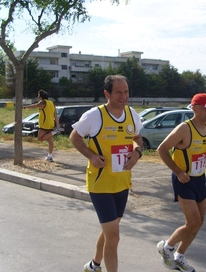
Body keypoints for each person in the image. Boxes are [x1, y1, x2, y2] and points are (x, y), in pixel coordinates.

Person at [69, 75, 143, 272]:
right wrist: (91, 155)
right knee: (114, 236)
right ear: (107, 93)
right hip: (100, 184)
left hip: (122, 183)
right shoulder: (95, 115)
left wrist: (137, 152)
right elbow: (74, 137)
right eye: (118, 92)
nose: (123, 96)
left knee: (110, 230)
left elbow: (137, 138)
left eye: (126, 91)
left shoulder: (132, 114)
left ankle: (94, 265)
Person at [156, 93, 206, 272]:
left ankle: (180, 256)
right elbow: (162, 149)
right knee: (193, 222)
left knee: (199, 222)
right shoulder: (184, 129)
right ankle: (167, 246)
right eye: (205, 107)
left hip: (200, 179)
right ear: (194, 108)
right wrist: (178, 171)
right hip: (184, 179)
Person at [23, 89, 60, 162]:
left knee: (40, 138)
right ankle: (50, 156)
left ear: (41, 97)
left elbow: (35, 106)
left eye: (38, 96)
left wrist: (24, 107)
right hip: (51, 124)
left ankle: (53, 132)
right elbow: (55, 115)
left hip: (44, 124)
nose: (37, 97)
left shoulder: (43, 102)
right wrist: (57, 126)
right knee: (50, 140)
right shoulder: (51, 103)